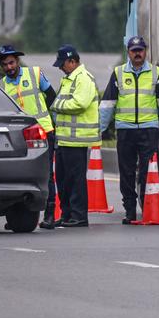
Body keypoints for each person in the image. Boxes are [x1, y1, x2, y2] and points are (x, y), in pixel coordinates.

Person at [99, 36, 159, 224]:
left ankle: (147, 207)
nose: (137, 53)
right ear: (128, 52)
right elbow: (108, 104)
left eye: (140, 50)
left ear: (145, 51)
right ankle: (129, 210)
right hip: (125, 130)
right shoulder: (119, 73)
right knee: (126, 172)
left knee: (147, 171)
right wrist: (99, 130)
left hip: (148, 130)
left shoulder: (155, 73)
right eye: (134, 50)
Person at [0, 44, 59, 230]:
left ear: (18, 61)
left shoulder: (35, 74)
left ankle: (50, 215)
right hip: (17, 138)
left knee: (47, 175)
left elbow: (52, 97)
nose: (9, 67)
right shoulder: (1, 86)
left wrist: (55, 124)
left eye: (11, 63)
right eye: (5, 65)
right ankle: (15, 216)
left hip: (43, 132)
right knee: (14, 174)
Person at [48, 45, 99, 228]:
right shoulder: (68, 79)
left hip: (77, 139)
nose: (61, 67)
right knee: (63, 179)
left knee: (75, 180)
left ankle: (79, 216)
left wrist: (57, 104)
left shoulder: (83, 78)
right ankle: (67, 214)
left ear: (72, 61)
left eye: (63, 64)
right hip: (64, 139)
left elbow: (80, 103)